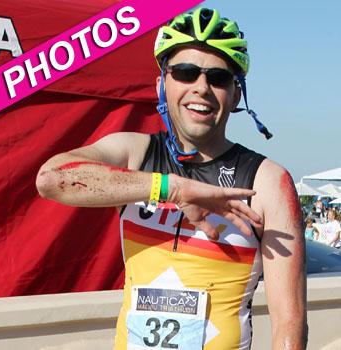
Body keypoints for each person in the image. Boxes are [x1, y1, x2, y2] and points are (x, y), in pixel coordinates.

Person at [36, 7, 307, 350]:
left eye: (218, 78)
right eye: (185, 72)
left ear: (237, 94)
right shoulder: (135, 153)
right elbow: (51, 179)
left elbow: (289, 324)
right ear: (162, 83)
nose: (202, 88)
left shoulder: (267, 181)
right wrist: (172, 188)